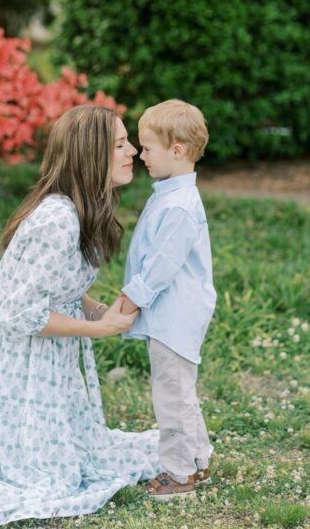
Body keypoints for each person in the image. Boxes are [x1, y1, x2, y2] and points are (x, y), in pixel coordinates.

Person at [0, 105, 163, 527]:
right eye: (118, 144)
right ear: (89, 155)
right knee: (41, 473)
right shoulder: (57, 219)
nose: (131, 150)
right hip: (1, 348)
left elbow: (57, 283)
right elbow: (22, 313)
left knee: (70, 454)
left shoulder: (82, 208)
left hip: (31, 349)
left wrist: (97, 308)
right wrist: (96, 328)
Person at [120, 99, 215, 499]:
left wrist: (131, 300)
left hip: (174, 316)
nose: (141, 155)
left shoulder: (178, 206)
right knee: (181, 389)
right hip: (172, 314)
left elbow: (161, 265)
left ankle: (178, 475)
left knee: (171, 394)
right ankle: (199, 459)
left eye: (147, 148)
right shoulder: (170, 194)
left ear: (176, 151)